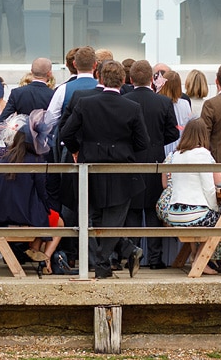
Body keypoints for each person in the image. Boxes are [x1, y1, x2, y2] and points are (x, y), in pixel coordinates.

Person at [60, 60, 150, 279]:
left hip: (89, 166)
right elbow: (143, 142)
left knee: (91, 218)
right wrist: (124, 148)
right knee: (112, 219)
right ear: (123, 80)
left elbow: (65, 134)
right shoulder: (132, 107)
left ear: (99, 77)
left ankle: (105, 262)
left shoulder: (85, 104)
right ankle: (116, 256)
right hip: (121, 169)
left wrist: (76, 150)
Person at [126, 60, 180, 269]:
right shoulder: (163, 103)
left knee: (132, 210)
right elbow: (173, 132)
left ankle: (132, 257)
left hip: (132, 161)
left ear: (131, 79)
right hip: (155, 158)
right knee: (152, 210)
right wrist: (156, 142)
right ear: (151, 79)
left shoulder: (125, 100)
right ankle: (155, 259)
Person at [0, 110, 63, 274]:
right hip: (25, 213)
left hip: (4, 212)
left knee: (42, 214)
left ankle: (35, 248)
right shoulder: (35, 161)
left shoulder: (1, 157)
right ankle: (45, 257)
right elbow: (41, 191)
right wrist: (47, 206)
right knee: (58, 222)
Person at [159, 119, 221, 274]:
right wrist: (216, 208)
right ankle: (214, 263)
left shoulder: (176, 155)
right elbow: (210, 187)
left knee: (213, 219)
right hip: (194, 214)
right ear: (204, 135)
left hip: (174, 213)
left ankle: (198, 258)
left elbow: (167, 184)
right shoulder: (203, 155)